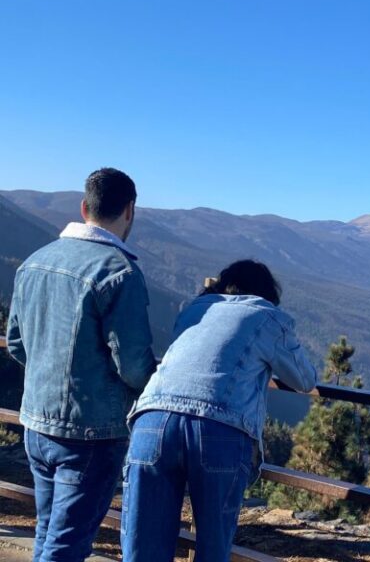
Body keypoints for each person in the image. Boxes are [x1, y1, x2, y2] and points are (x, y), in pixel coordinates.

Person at [120, 259, 317, 562]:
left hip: (152, 420)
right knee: (212, 548)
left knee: (143, 548)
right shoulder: (266, 315)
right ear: (267, 292)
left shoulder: (196, 308)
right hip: (219, 430)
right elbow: (304, 379)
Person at [6, 167, 157, 562]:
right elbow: (135, 366)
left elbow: (18, 344)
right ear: (129, 211)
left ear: (83, 206)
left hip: (36, 421)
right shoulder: (119, 272)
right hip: (92, 432)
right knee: (67, 545)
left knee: (48, 532)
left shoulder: (35, 262)